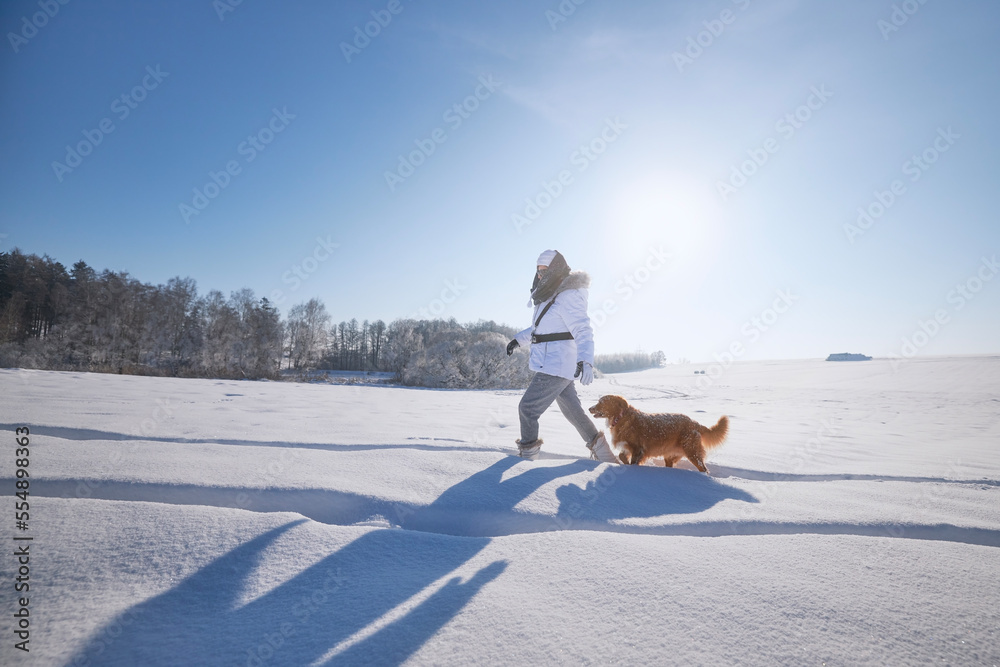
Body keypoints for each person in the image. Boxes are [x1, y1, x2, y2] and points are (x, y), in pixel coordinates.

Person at [506, 250, 619, 463]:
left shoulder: (568, 294)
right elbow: (539, 328)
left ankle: (526, 458)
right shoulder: (550, 293)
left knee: (527, 409)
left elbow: (583, 329)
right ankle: (604, 455)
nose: (540, 275)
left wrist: (586, 360)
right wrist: (518, 340)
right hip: (555, 363)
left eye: (545, 270)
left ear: (556, 268)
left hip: (556, 364)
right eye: (538, 271)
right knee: (573, 412)